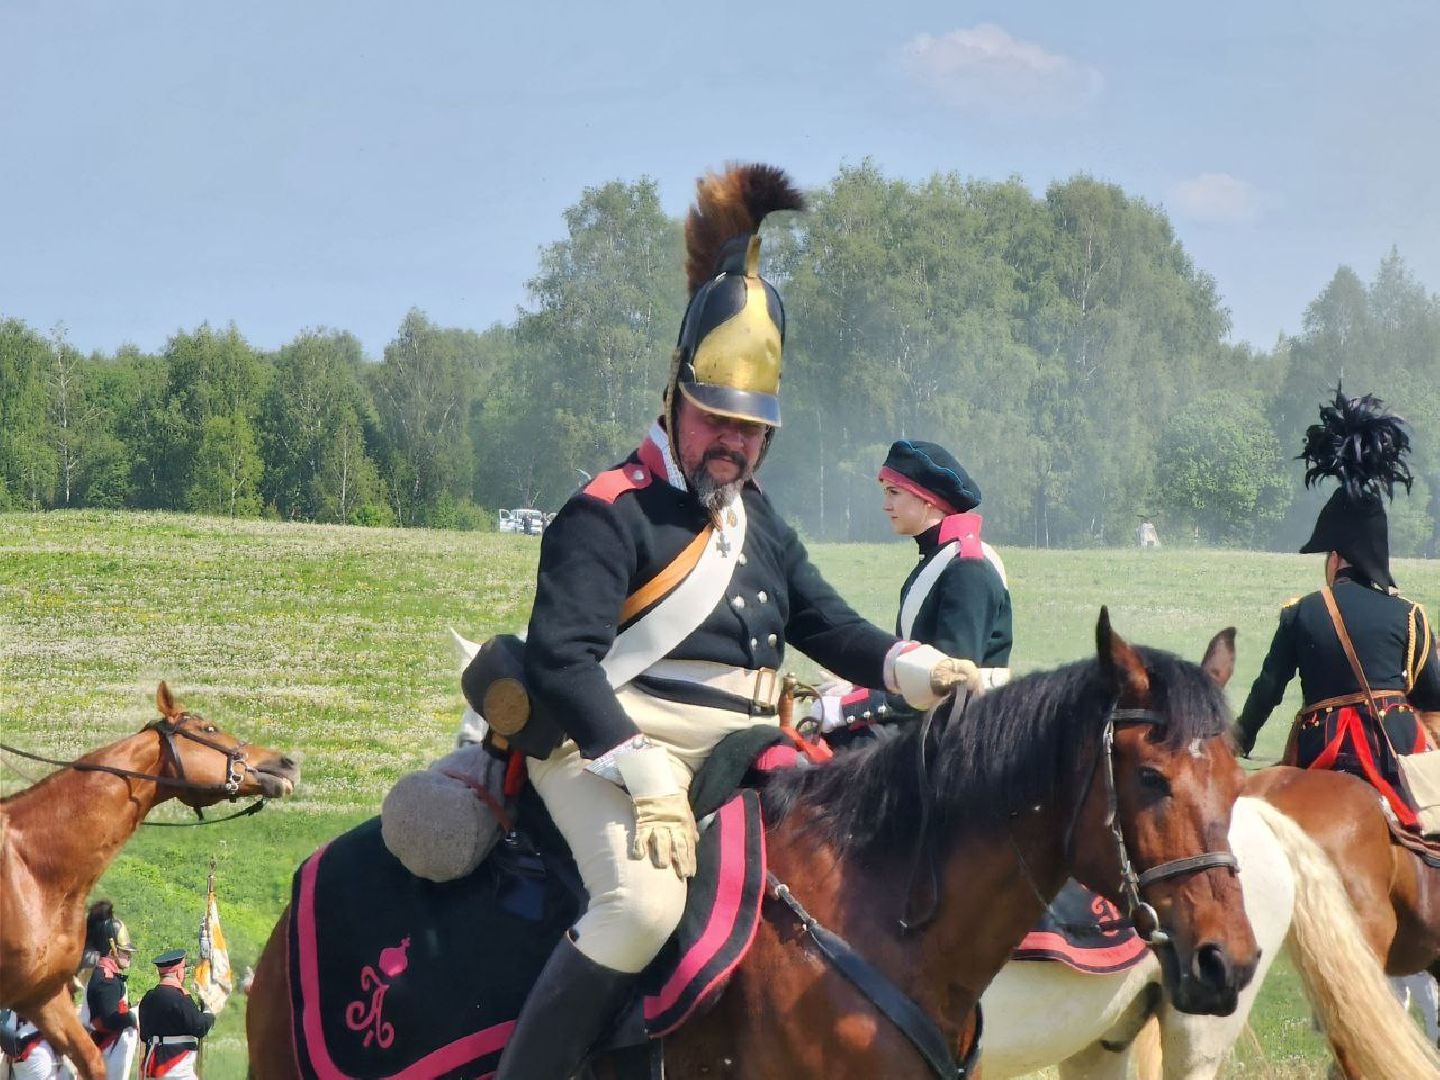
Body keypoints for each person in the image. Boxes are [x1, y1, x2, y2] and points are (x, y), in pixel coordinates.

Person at [495, 163, 980, 1078]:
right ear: (675, 398)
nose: (735, 441)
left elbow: (829, 625)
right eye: (717, 418)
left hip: (735, 749)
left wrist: (924, 670)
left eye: (752, 428)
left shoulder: (757, 520)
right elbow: (562, 662)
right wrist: (642, 775)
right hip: (601, 749)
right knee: (637, 905)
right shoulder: (607, 511)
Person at [1236, 388, 1440, 830]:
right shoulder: (1410, 616)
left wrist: (1240, 736)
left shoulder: (1302, 613)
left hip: (1318, 753)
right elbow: (1434, 701)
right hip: (1396, 754)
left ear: (1337, 556)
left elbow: (1267, 689)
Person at [811, 439, 1013, 735]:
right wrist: (855, 687)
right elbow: (917, 671)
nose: (885, 505)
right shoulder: (942, 559)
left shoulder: (968, 568)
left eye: (894, 493)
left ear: (927, 499)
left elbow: (949, 684)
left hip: (959, 737)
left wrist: (850, 708)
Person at [137, 951, 214, 1080]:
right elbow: (199, 1027)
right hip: (176, 1064)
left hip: (153, 1061)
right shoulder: (181, 998)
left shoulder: (148, 998)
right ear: (178, 972)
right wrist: (208, 1013)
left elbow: (144, 1035)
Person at [84, 917, 139, 1080]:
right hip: (107, 1049)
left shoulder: (103, 975)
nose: (129, 956)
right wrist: (133, 1015)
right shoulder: (107, 980)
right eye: (125, 951)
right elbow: (109, 1020)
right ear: (112, 950)